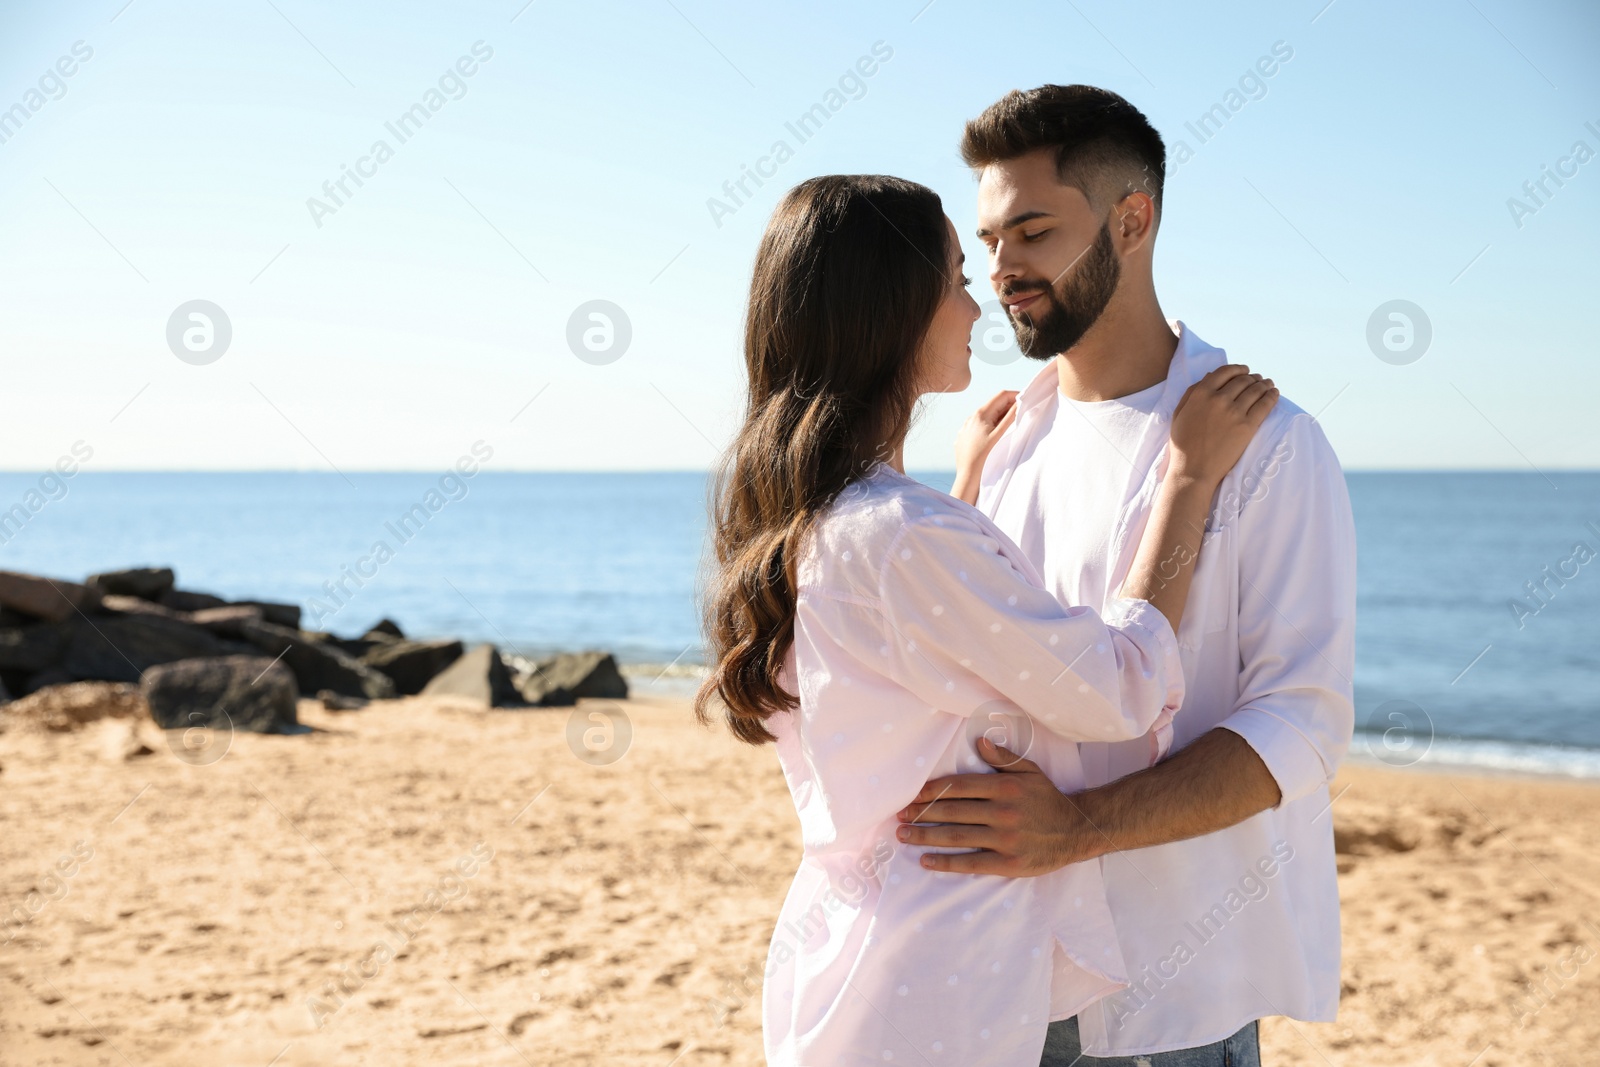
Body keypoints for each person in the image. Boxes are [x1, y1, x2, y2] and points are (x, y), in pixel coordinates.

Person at [695, 172, 1278, 1064]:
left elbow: (924, 649)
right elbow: (1120, 688)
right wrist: (1187, 481)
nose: (980, 306)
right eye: (958, 278)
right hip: (934, 984)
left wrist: (963, 491)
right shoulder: (902, 536)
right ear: (893, 310)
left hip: (853, 955)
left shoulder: (814, 518)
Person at [896, 85, 1357, 1065]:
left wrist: (1077, 828)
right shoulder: (1005, 440)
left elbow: (1302, 721)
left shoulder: (1270, 447)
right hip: (1000, 983)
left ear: (1131, 219)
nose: (1002, 270)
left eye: (1030, 231)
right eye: (987, 242)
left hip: (1170, 1003)